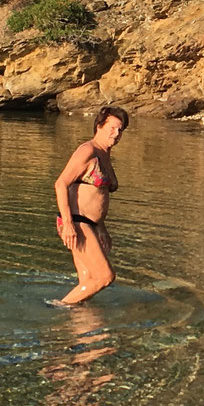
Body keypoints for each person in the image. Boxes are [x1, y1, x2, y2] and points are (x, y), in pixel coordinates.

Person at [50, 105, 128, 305]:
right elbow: (61, 184)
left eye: (120, 130)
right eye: (112, 127)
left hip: (90, 225)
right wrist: (68, 224)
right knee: (105, 277)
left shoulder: (105, 156)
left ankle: (81, 325)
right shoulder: (88, 151)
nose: (116, 133)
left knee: (88, 282)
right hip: (76, 222)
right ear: (99, 126)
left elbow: (97, 197)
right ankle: (58, 308)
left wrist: (102, 228)